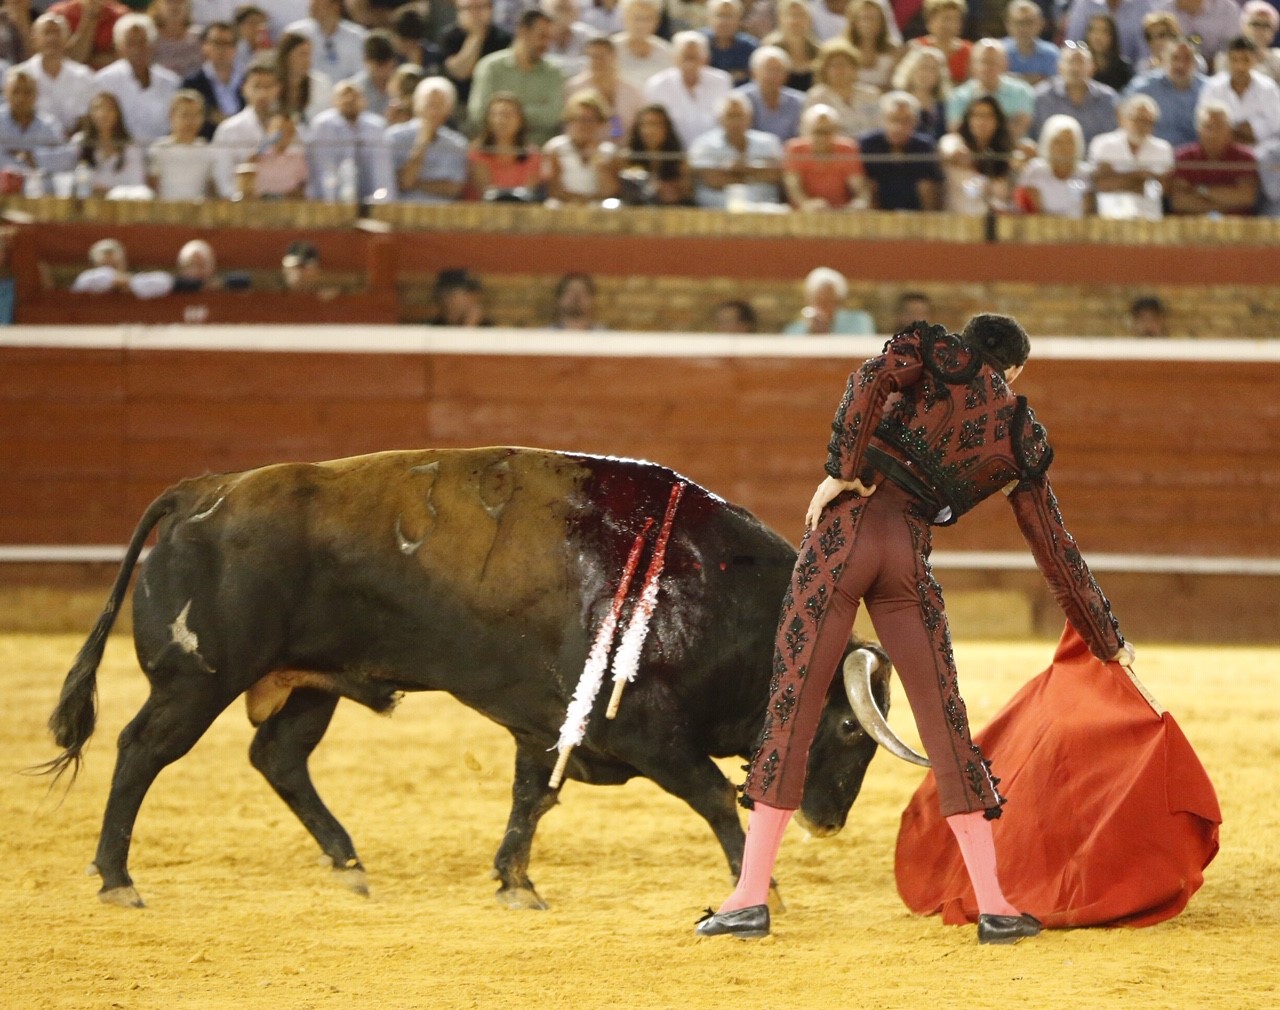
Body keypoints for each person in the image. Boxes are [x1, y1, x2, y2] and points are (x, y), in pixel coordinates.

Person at [693, 312, 1133, 943]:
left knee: (794, 706)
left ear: (967, 344)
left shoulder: (930, 351)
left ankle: (748, 898)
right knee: (946, 722)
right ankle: (996, 907)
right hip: (907, 558)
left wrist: (842, 469)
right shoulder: (1018, 431)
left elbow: (869, 380)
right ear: (1011, 371)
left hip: (844, 535)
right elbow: (1054, 549)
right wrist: (1106, 639)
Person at [468, 9, 565, 144]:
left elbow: (553, 115)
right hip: (494, 151)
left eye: (550, 38)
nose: (546, 44)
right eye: (542, 36)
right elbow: (479, 113)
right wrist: (528, 115)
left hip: (538, 153)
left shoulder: (554, 73)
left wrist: (504, 115)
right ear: (522, 31)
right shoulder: (491, 68)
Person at [91, 13, 182, 145]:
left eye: (142, 42)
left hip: (162, 152)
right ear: (119, 48)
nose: (137, 49)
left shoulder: (171, 82)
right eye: (130, 43)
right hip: (122, 156)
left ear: (152, 46)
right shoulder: (104, 81)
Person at [687, 89, 783, 207]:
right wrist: (757, 173)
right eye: (730, 116)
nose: (736, 122)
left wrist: (739, 170)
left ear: (749, 118)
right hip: (716, 212)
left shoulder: (768, 142)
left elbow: (775, 175)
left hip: (765, 211)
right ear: (719, 119)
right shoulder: (704, 144)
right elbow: (712, 179)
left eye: (740, 116)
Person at [307, 78, 397, 200]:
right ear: (333, 101)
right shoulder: (323, 125)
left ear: (365, 101)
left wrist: (379, 202)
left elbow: (382, 172)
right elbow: (323, 169)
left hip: (368, 200)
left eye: (355, 95)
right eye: (344, 95)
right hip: (328, 200)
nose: (349, 99)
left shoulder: (376, 127)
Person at [643, 30, 732, 149]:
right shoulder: (657, 85)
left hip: (713, 156)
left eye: (694, 57)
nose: (690, 63)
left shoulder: (722, 81)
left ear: (705, 59)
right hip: (672, 155)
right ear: (674, 58)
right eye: (685, 57)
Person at [1168, 98, 1259, 214]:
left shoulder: (1245, 157)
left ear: (1230, 130)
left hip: (1236, 228)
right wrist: (1224, 201)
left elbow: (1246, 197)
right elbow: (1179, 202)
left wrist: (1200, 190)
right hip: (1192, 227)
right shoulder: (1184, 156)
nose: (1213, 133)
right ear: (1198, 130)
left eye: (1219, 126)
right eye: (1208, 127)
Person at [859, 89, 944, 210]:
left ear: (915, 122)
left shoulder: (925, 145)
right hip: (879, 208)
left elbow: (929, 186)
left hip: (915, 209)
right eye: (893, 119)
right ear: (883, 119)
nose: (898, 127)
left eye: (906, 121)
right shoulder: (868, 144)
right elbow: (867, 184)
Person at [388, 74, 468, 202]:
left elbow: (454, 188)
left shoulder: (457, 143)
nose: (433, 112)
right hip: (402, 212)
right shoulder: (394, 137)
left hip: (444, 216)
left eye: (439, 105)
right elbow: (404, 182)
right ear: (416, 105)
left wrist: (418, 183)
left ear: (449, 109)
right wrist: (422, 141)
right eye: (429, 105)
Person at [18, 13, 95, 139]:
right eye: (46, 32)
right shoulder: (20, 77)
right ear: (34, 38)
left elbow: (90, 120)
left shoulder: (84, 76)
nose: (52, 38)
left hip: (76, 150)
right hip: (30, 147)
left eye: (57, 32)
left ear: (67, 38)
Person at [945, 37, 1034, 142]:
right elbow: (956, 131)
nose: (987, 67)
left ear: (1005, 64)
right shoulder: (959, 96)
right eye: (983, 61)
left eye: (993, 62)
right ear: (972, 65)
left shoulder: (1021, 92)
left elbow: (1020, 126)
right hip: (971, 152)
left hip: (1011, 150)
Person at [1197, 35, 1280, 147]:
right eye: (1234, 59)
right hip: (1222, 148)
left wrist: (1252, 128)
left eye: (1246, 59)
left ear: (1255, 59)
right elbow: (1202, 120)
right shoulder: (1213, 87)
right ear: (1227, 60)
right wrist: (1231, 132)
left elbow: (1275, 122)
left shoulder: (1268, 88)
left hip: (1260, 148)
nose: (1240, 66)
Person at [939, 94, 1016, 214]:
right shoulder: (953, 141)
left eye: (988, 116)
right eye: (976, 115)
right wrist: (962, 156)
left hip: (994, 224)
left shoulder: (1006, 153)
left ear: (998, 121)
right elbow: (949, 150)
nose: (981, 121)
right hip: (956, 222)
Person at [1030, 42, 1118, 146]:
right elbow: (1033, 137)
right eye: (1070, 62)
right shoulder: (1042, 96)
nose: (1075, 68)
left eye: (1081, 62)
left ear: (1092, 68)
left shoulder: (1107, 98)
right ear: (1059, 67)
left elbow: (1113, 137)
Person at [1125, 35, 1206, 147]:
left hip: (1194, 159)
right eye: (1175, 58)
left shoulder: (1207, 89)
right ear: (1164, 60)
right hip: (1153, 156)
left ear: (1195, 62)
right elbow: (1121, 111)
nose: (1181, 65)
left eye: (1187, 58)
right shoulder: (1144, 87)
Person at [541, 86, 618, 203]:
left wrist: (598, 161)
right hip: (563, 205)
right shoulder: (555, 148)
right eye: (579, 119)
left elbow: (610, 191)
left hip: (597, 206)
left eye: (590, 120)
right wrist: (577, 201)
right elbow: (553, 189)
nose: (584, 125)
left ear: (600, 122)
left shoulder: (609, 151)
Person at [783, 101, 866, 209]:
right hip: (803, 214)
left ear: (835, 131)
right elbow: (792, 185)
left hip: (841, 213)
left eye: (827, 132)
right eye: (817, 132)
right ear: (805, 131)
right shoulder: (795, 149)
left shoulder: (847, 148)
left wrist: (860, 201)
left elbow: (857, 184)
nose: (822, 138)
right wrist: (806, 204)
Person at [1089, 93, 1173, 197]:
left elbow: (1165, 188)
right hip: (1111, 210)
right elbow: (1101, 184)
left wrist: (1119, 178)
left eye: (1148, 121)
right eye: (1138, 119)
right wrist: (1144, 177)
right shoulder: (1103, 143)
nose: (1142, 126)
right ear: (1123, 119)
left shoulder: (1163, 148)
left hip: (1149, 211)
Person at [468, 90, 543, 197]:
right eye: (495, 115)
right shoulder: (477, 151)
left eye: (507, 115)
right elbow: (485, 192)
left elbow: (527, 193)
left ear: (520, 120)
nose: (500, 120)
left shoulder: (532, 154)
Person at [0, 65, 74, 175]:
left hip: (42, 189)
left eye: (27, 92)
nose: (21, 98)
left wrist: (31, 156)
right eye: (16, 91)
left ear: (36, 94)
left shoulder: (48, 124)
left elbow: (67, 157)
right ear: (5, 93)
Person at [1016, 113, 1094, 216]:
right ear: (1048, 143)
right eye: (1058, 142)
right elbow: (1033, 209)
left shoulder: (1085, 173)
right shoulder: (1035, 170)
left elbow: (1086, 210)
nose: (1064, 148)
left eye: (1069, 142)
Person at [566, 34, 642, 139]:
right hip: (589, 151)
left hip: (624, 151)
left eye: (601, 56)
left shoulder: (632, 91)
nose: (596, 61)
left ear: (614, 57)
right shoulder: (575, 88)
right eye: (592, 57)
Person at [148, 88, 218, 198]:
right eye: (185, 115)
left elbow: (211, 189)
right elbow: (152, 188)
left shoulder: (208, 150)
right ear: (171, 116)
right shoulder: (159, 149)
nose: (191, 121)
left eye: (196, 115)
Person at [72, 90, 147, 193]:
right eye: (97, 108)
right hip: (87, 204)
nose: (103, 114)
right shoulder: (79, 142)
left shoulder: (130, 146)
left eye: (109, 109)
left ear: (117, 113)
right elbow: (71, 180)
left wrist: (108, 192)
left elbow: (137, 183)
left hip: (121, 204)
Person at [182, 21, 244, 140]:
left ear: (235, 48)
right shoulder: (192, 83)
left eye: (227, 44)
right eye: (216, 43)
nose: (222, 49)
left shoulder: (246, 80)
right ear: (205, 46)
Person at [284, 0, 368, 85]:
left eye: (318, 3)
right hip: (307, 93)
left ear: (335, 7)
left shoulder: (358, 37)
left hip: (345, 94)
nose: (312, 6)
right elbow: (286, 70)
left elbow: (362, 75)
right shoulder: (295, 33)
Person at [622, 101, 691, 203]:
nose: (649, 130)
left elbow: (688, 191)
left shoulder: (679, 158)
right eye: (644, 125)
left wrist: (668, 189)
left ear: (666, 128)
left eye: (655, 124)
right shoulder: (627, 157)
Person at [734, 43, 805, 142]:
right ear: (754, 72)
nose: (773, 75)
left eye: (778, 70)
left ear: (786, 75)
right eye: (768, 70)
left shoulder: (799, 102)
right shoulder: (740, 99)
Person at [1062, 0, 1154, 67]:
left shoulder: (1142, 4)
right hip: (1088, 70)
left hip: (1129, 72)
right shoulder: (1084, 3)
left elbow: (1145, 51)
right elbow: (1073, 44)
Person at [783, 265, 874, 334]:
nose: (823, 307)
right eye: (819, 301)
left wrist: (826, 334)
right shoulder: (796, 330)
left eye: (829, 301)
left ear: (839, 301)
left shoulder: (859, 322)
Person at [1152, 0, 1241, 66]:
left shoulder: (1227, 9)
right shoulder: (1166, 10)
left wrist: (1211, 65)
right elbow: (1157, 46)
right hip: (1176, 68)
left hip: (1218, 71)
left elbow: (1233, 48)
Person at [890, 43, 949, 139]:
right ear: (911, 69)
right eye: (923, 67)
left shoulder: (943, 105)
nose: (926, 73)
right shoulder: (895, 100)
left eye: (932, 69)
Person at [610, 0, 671, 93]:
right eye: (637, 18)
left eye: (648, 19)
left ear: (657, 21)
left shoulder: (666, 52)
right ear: (625, 18)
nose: (641, 25)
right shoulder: (610, 49)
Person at [274, 29, 332, 124]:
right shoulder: (271, 83)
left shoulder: (321, 83)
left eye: (309, 55)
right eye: (302, 54)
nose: (307, 60)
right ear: (286, 57)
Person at [762, 0, 819, 92]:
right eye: (791, 15)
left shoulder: (818, 52)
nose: (796, 21)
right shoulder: (770, 50)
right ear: (780, 19)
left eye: (801, 15)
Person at [909, 0, 971, 86]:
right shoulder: (916, 47)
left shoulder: (969, 51)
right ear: (930, 21)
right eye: (946, 19)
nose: (951, 25)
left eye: (956, 19)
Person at [843, 0, 900, 92]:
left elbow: (893, 85)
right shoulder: (843, 50)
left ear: (882, 22)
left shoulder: (894, 50)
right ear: (854, 22)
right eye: (863, 18)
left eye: (873, 18)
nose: (868, 23)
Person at [1218, 2, 1280, 81]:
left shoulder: (1277, 59)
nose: (1261, 30)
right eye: (1256, 24)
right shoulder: (1225, 59)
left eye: (1266, 25)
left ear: (1273, 32)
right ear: (1243, 26)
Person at [1001, 0, 1057, 86]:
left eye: (1029, 22)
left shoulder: (1051, 54)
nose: (1024, 28)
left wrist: (1011, 78)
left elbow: (1054, 87)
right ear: (1008, 25)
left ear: (1040, 24)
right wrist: (1035, 80)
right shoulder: (999, 52)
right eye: (1019, 22)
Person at [346, 29, 400, 119]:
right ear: (366, 61)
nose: (382, 71)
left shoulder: (403, 86)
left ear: (393, 62)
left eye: (385, 64)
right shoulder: (354, 90)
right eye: (378, 65)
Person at [703, 0, 755, 86]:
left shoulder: (750, 47)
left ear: (739, 19)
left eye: (729, 16)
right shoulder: (698, 45)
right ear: (709, 18)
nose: (724, 21)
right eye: (720, 15)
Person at [150, 0, 203, 79]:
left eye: (179, 1)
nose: (174, 6)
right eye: (169, 2)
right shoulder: (150, 38)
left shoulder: (200, 37)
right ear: (157, 6)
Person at [1087, 13, 1134, 92]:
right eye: (1094, 30)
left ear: (1112, 36)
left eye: (1104, 31)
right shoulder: (1081, 67)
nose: (1098, 36)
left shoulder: (1124, 69)